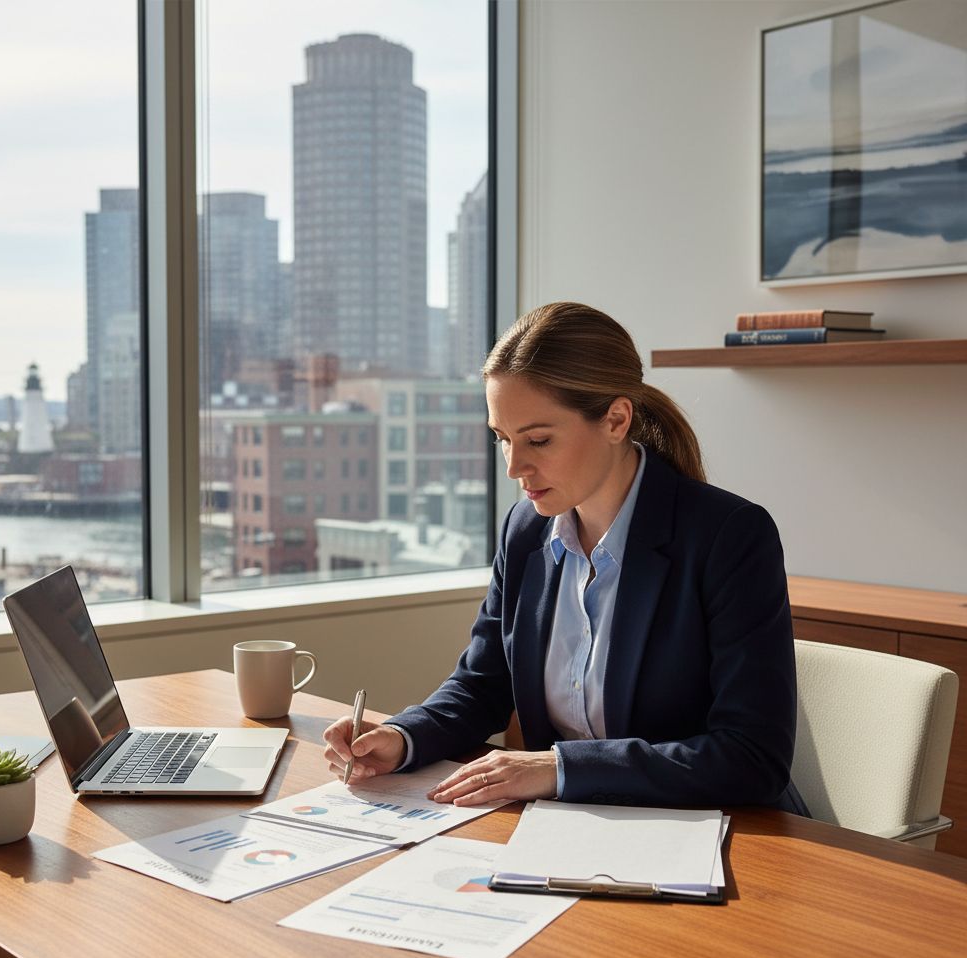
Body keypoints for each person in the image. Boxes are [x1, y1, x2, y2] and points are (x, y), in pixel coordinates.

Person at [323, 301, 809, 815]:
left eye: (537, 439)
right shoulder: (524, 531)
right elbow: (484, 684)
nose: (514, 466)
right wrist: (403, 736)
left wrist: (558, 767)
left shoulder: (728, 536)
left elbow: (753, 755)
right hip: (573, 826)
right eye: (502, 439)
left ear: (617, 420)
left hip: (716, 835)